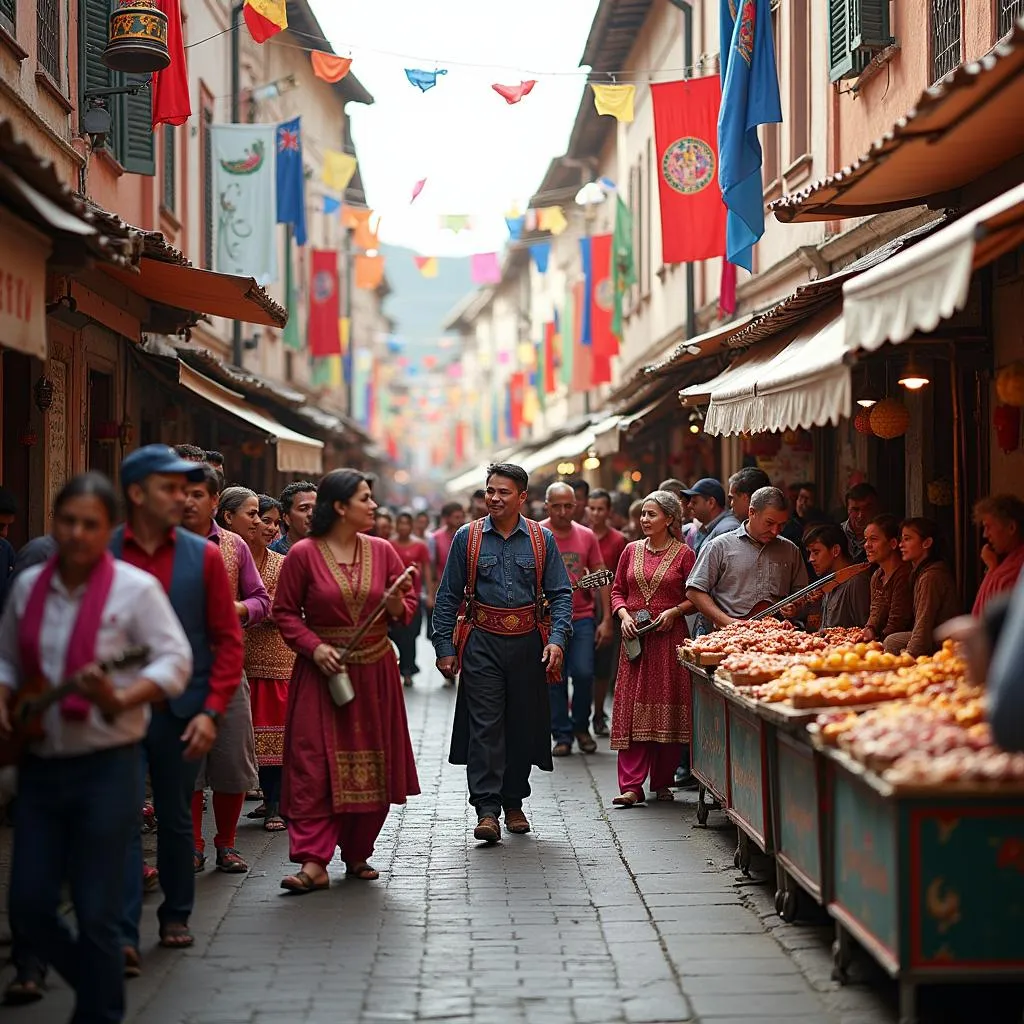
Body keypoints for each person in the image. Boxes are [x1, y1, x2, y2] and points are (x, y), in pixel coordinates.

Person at [0, 472, 192, 1024]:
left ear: (109, 528)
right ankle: (97, 981)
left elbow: (173, 660)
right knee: (31, 906)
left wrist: (122, 694)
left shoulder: (135, 590)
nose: (78, 533)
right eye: (68, 521)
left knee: (98, 907)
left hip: (108, 765)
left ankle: (99, 1010)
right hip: (40, 764)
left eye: (91, 524)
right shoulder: (28, 587)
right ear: (53, 523)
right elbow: (10, 656)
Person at [114, 446, 243, 963]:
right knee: (118, 815)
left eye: (188, 490)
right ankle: (121, 929)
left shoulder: (203, 556)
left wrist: (211, 709)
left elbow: (226, 639)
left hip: (184, 710)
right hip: (118, 710)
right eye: (171, 488)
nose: (183, 500)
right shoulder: (106, 552)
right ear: (137, 493)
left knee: (173, 815)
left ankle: (175, 915)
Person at [272, 470, 420, 891]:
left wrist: (396, 605)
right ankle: (314, 860)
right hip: (322, 672)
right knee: (312, 761)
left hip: (375, 671)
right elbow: (284, 613)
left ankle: (357, 852)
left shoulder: (384, 550)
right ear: (339, 507)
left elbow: (406, 606)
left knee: (372, 760)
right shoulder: (303, 554)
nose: (374, 507)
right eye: (365, 499)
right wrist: (314, 647)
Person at [433, 464, 572, 843]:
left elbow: (561, 594)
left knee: (521, 724)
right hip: (482, 644)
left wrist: (557, 640)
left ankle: (514, 803)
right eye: (490, 491)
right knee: (485, 725)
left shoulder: (542, 540)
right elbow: (447, 596)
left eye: (503, 492)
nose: (494, 498)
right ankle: (487, 810)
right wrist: (444, 646)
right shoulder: (468, 537)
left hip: (529, 643)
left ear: (522, 497)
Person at [182, 477, 268, 874]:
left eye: (197, 494)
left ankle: (226, 844)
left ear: (215, 502)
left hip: (227, 670)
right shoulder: (164, 544)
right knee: (187, 766)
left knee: (233, 762)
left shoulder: (234, 547)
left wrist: (237, 609)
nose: (187, 501)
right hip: (177, 672)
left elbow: (261, 599)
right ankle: (193, 844)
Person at [610, 490, 696, 806]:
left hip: (668, 638)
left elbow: (696, 595)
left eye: (652, 514)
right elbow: (618, 591)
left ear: (670, 519)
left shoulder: (685, 555)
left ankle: (662, 781)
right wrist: (622, 616)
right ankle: (632, 786)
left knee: (667, 706)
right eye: (643, 514)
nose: (645, 519)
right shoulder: (629, 551)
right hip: (635, 641)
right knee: (632, 708)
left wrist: (675, 612)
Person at [540, 483, 611, 756]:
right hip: (547, 619)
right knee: (554, 676)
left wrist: (605, 619)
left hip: (581, 618)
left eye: (568, 506)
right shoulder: (537, 533)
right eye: (556, 506)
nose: (562, 511)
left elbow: (602, 575)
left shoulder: (586, 535)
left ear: (576, 505)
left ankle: (581, 726)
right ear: (547, 505)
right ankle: (562, 734)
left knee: (583, 673)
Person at [240, 495, 294, 831]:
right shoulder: (233, 560)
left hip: (277, 660)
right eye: (264, 520)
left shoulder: (281, 563)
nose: (271, 527)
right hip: (242, 660)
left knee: (277, 738)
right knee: (250, 737)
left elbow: (284, 607)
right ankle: (266, 800)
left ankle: (276, 804)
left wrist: (250, 609)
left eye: (275, 522)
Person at [686, 486, 808, 629]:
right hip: (729, 637)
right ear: (752, 512)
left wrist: (795, 606)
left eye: (781, 525)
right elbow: (694, 591)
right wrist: (727, 622)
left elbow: (802, 593)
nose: (775, 531)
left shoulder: (790, 550)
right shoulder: (719, 546)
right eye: (769, 523)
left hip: (776, 637)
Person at [884, 518, 959, 657]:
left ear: (927, 543)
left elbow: (923, 623)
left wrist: (908, 658)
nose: (901, 545)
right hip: (931, 635)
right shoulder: (921, 572)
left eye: (907, 539)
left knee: (892, 642)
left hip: (943, 642)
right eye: (901, 539)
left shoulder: (931, 576)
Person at [588, 489, 627, 738]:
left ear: (609, 511)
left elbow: (620, 577)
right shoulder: (580, 535)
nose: (595, 513)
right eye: (591, 508)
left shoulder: (618, 540)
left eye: (600, 509)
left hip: (608, 607)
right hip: (581, 606)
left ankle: (599, 713)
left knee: (603, 665)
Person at [388, 509, 433, 687]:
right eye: (401, 523)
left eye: (407, 523)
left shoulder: (420, 545)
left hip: (413, 598)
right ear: (396, 525)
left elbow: (427, 570)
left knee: (411, 634)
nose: (404, 527)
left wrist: (430, 593)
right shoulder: (389, 544)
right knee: (397, 633)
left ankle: (408, 669)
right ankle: (399, 667)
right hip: (394, 597)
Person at [803, 523, 871, 628]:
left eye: (816, 552)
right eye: (810, 553)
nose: (811, 559)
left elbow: (864, 631)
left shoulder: (856, 582)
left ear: (835, 550)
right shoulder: (828, 580)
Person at [861, 514, 915, 643]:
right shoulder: (877, 576)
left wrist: (875, 644)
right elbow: (875, 611)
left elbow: (898, 621)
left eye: (873, 539)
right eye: (865, 539)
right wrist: (869, 629)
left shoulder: (904, 574)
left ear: (893, 543)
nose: (866, 545)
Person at [972, 494, 1024, 616]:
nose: (985, 534)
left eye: (988, 527)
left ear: (1011, 527)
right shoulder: (1009, 560)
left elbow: (984, 616)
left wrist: (992, 569)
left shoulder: (1015, 568)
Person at [684, 478, 739, 556]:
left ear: (711, 502)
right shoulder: (708, 527)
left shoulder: (727, 529)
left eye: (694, 502)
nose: (689, 505)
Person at [270, 481, 318, 556]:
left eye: (316, 509)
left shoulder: (330, 553)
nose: (311, 514)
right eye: (304, 509)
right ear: (286, 518)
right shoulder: (271, 555)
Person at [842, 482, 881, 562]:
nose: (861, 515)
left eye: (867, 509)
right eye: (855, 509)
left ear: (876, 508)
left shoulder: (885, 535)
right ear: (847, 509)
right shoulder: (836, 534)